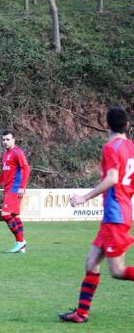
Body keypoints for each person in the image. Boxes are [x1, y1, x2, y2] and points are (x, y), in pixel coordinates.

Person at [59, 106, 134, 323]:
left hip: (115, 215)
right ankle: (80, 314)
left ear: (106, 125)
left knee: (117, 271)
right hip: (118, 213)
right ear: (127, 125)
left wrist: (84, 197)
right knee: (91, 262)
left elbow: (112, 179)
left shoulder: (111, 147)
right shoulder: (131, 147)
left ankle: (81, 313)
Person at [0, 130, 31, 253]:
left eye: (8, 139)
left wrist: (22, 187)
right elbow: (4, 172)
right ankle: (22, 245)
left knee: (5, 214)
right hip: (8, 189)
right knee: (15, 216)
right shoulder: (5, 154)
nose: (5, 142)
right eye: (3, 140)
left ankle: (20, 241)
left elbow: (26, 169)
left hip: (15, 188)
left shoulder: (17, 152)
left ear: (13, 140)